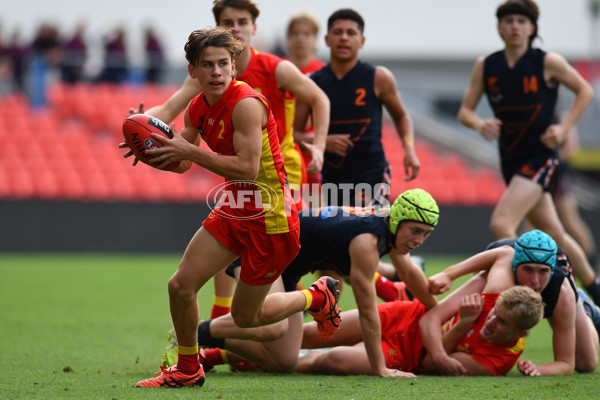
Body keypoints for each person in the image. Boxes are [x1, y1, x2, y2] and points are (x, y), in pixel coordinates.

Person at [124, 27, 340, 389]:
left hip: (272, 219)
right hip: (235, 209)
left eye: (224, 63)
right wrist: (152, 151)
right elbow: (183, 163)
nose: (217, 71)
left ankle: (316, 296)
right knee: (180, 286)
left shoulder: (247, 104)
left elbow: (247, 168)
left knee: (245, 317)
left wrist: (187, 150)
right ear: (193, 71)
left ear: (234, 66)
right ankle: (188, 368)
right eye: (207, 65)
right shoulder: (196, 108)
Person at [162, 188, 439, 378]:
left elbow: (411, 272)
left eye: (426, 234)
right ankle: (188, 336)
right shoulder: (367, 241)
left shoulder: (385, 228)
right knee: (273, 325)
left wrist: (435, 308)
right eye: (416, 231)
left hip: (285, 269)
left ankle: (206, 350)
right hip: (265, 252)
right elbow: (368, 310)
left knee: (285, 360)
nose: (419, 240)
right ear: (398, 220)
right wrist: (380, 367)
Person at [456, 0, 600, 305]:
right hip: (510, 159)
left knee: (501, 223)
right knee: (555, 234)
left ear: (532, 28)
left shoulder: (547, 62)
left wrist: (563, 129)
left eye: (521, 21)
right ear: (499, 27)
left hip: (541, 157)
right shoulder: (487, 65)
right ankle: (594, 289)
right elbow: (465, 113)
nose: (514, 27)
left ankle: (517, 301)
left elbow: (584, 90)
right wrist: (480, 123)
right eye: (508, 21)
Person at [427, 229, 600, 375]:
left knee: (586, 363)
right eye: (528, 270)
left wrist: (538, 369)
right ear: (516, 267)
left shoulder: (561, 293)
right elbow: (499, 254)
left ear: (551, 270)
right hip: (501, 256)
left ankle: (587, 310)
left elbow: (566, 363)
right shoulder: (501, 273)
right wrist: (448, 275)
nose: (535, 281)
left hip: (559, 290)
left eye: (543, 272)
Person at [294, 8, 419, 207]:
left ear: (362, 41)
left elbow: (401, 116)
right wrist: (322, 142)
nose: (344, 38)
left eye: (351, 33)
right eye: (337, 32)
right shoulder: (311, 83)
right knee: (339, 236)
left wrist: (409, 149)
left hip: (371, 175)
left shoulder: (378, 77)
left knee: (366, 234)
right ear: (326, 39)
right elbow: (293, 135)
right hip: (331, 181)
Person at [296, 285, 544, 376]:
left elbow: (431, 360)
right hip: (404, 314)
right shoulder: (494, 295)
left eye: (501, 323)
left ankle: (279, 362)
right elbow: (502, 254)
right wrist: (451, 274)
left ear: (519, 334)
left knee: (333, 359)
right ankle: (263, 347)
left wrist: (465, 323)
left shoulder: (497, 362)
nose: (491, 321)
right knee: (306, 334)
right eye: (493, 314)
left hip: (404, 354)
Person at [285, 11, 326, 189]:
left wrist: (317, 140)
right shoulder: (277, 69)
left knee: (313, 210)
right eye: (295, 34)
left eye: (307, 34)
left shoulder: (324, 73)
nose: (300, 39)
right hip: (283, 147)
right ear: (288, 38)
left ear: (316, 39)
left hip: (312, 151)